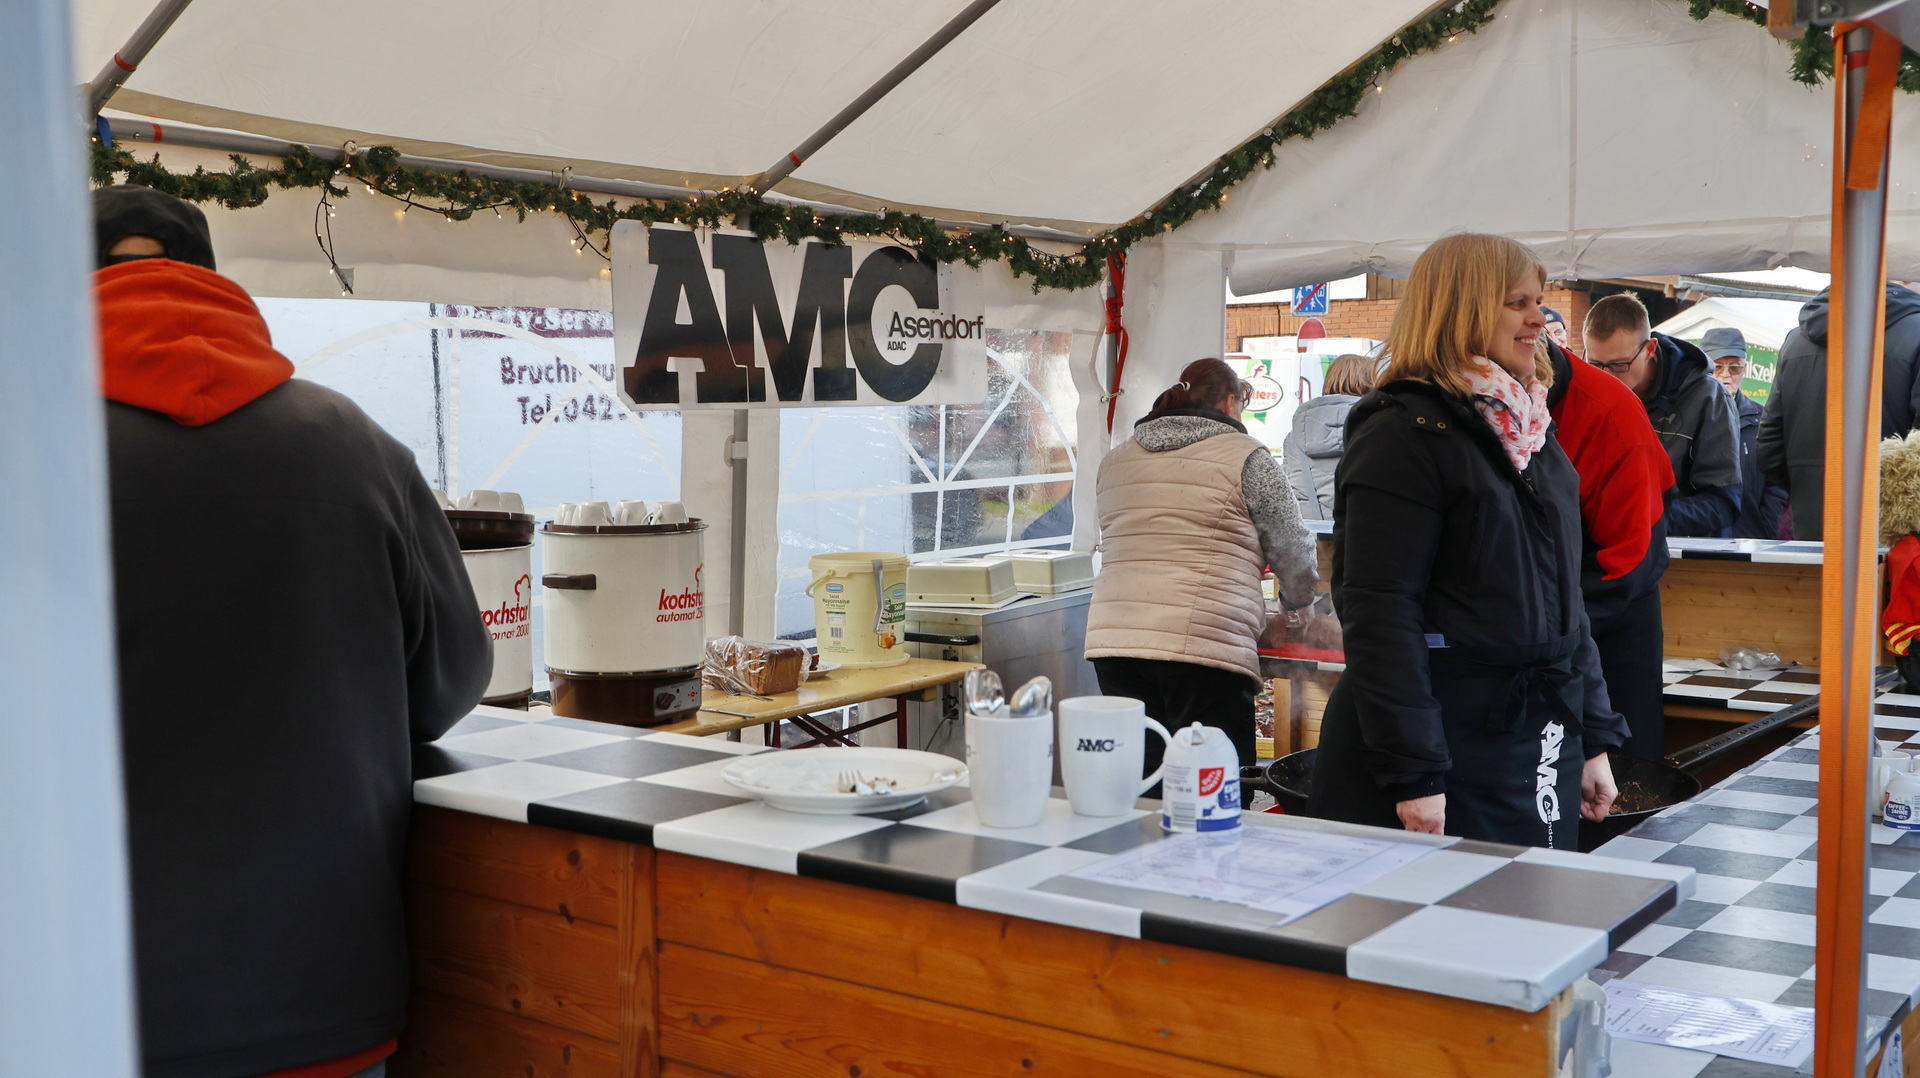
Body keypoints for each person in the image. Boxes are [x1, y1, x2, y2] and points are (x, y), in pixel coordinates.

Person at [94, 184, 492, 1078]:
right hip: (324, 995)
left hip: (85, 1011)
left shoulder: (28, 457)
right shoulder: (357, 445)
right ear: (209, 279)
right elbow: (450, 684)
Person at [1307, 233, 1622, 848]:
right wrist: (1415, 772)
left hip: (1535, 734)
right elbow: (1379, 610)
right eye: (1516, 303)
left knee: (1536, 903)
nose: (1538, 319)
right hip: (1445, 748)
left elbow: (1567, 606)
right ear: (1462, 310)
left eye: (1537, 301)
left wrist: (1593, 737)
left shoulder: (1531, 431)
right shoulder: (1402, 433)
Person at [1086, 358, 1318, 769]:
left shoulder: (1115, 459)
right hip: (1202, 648)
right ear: (1230, 402)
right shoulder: (1247, 456)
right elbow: (1292, 549)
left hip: (1116, 644)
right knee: (1214, 781)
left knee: (1145, 781)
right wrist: (1297, 602)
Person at [1545, 342, 1676, 761]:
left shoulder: (1611, 415)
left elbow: (1628, 560)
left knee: (1625, 775)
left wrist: (1545, 631)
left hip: (1611, 620)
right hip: (1540, 628)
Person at [1758, 284, 1920, 539]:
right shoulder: (1915, 333)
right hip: (1895, 533)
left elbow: (1769, 446)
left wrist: (1808, 487)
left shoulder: (1795, 340)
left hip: (1813, 525)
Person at [1584, 293, 1743, 538]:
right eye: (1595, 364)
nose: (1606, 377)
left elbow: (1723, 504)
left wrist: (1642, 518)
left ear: (1649, 349)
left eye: (1619, 365)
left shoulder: (1708, 398)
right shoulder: (1584, 391)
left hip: (1680, 553)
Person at [1701, 327, 1790, 540]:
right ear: (1704, 368)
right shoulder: (1687, 417)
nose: (1725, 374)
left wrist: (1766, 527)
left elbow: (1776, 480)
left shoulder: (1762, 419)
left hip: (1752, 539)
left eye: (1734, 368)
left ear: (1744, 369)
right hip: (1700, 539)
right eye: (1717, 366)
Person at [1281, 353, 1377, 521]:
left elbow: (1288, 488)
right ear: (1368, 383)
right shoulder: (1378, 428)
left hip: (1314, 532)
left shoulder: (1294, 438)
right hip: (1364, 530)